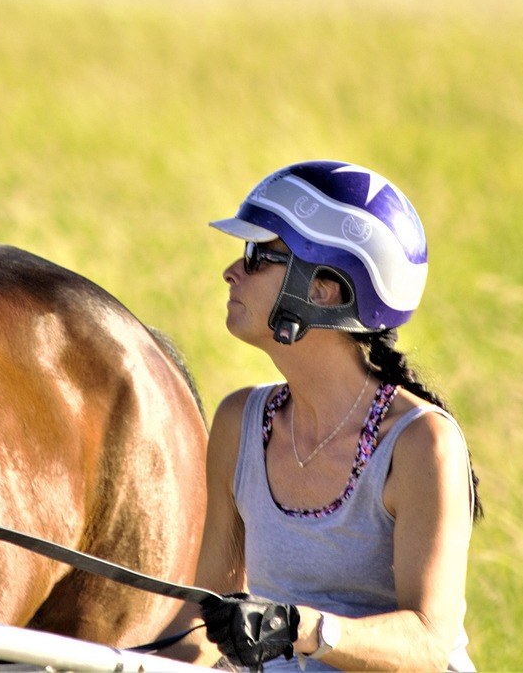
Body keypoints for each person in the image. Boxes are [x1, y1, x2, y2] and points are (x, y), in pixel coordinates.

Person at [165, 160, 480, 671]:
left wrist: (300, 629)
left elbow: (429, 643)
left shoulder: (422, 443)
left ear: (322, 289)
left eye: (256, 256)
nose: (231, 270)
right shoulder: (238, 421)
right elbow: (202, 631)